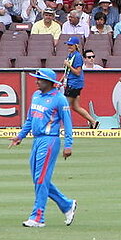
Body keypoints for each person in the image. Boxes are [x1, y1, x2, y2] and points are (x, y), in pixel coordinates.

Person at [9, 68, 78, 228]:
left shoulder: (59, 99)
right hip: (37, 140)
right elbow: (29, 119)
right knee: (39, 179)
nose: (36, 81)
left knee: (41, 179)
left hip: (50, 141)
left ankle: (38, 217)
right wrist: (20, 136)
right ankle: (67, 205)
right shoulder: (36, 96)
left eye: (39, 79)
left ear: (49, 82)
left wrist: (69, 144)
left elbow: (68, 123)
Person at [61, 36, 99, 129]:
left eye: (71, 45)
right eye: (68, 45)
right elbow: (67, 71)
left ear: (76, 45)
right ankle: (93, 122)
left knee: (65, 107)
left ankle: (64, 127)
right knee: (76, 107)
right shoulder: (70, 55)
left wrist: (68, 65)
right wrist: (61, 79)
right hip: (71, 82)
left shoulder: (77, 56)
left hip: (74, 84)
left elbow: (78, 72)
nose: (69, 46)